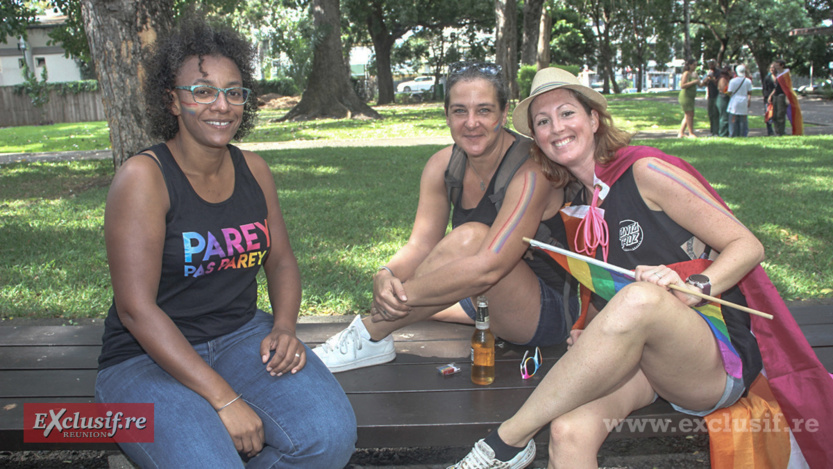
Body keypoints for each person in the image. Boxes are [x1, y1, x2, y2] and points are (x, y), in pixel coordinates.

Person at [449, 67, 765, 468]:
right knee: (568, 431)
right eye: (542, 122)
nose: (556, 128)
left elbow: (748, 245)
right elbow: (607, 282)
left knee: (640, 300)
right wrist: (588, 327)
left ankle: (506, 441)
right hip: (642, 361)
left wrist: (697, 283)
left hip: (709, 355)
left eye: (567, 114)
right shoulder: (579, 203)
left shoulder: (647, 171)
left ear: (594, 119)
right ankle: (517, 442)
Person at [95, 17, 356, 468]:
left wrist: (285, 328)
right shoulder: (144, 178)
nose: (222, 105)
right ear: (172, 102)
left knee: (328, 437)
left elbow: (281, 262)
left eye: (234, 91)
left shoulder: (253, 170)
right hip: (144, 359)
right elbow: (135, 309)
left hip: (240, 339)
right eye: (202, 91)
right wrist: (225, 398)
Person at [313, 61, 578, 373]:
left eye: (484, 110)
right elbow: (420, 245)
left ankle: (371, 334)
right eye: (459, 111)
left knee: (472, 239)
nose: (471, 123)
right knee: (430, 292)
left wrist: (398, 299)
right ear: (447, 115)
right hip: (480, 300)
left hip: (545, 313)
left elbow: (490, 267)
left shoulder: (532, 172)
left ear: (504, 114)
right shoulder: (443, 166)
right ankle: (387, 319)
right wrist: (386, 275)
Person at [676, 58, 701, 138]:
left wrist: (706, 81)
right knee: (689, 114)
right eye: (693, 65)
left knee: (688, 115)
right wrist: (693, 82)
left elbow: (700, 84)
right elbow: (683, 85)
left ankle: (681, 133)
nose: (695, 67)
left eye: (696, 65)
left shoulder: (695, 74)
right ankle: (691, 133)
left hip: (691, 97)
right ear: (689, 65)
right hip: (685, 96)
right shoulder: (686, 73)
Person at [726, 64, 753, 137]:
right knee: (743, 119)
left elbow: (730, 92)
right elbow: (749, 92)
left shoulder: (733, 81)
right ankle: (743, 134)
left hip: (734, 101)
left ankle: (733, 134)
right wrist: (749, 100)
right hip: (744, 100)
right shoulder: (748, 81)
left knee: (733, 119)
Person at [704, 59, 720, 136]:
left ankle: (716, 131)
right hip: (710, 95)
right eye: (709, 65)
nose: (710, 66)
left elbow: (718, 84)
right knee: (710, 114)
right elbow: (704, 83)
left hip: (717, 95)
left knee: (716, 114)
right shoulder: (709, 73)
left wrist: (712, 78)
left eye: (711, 64)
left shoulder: (718, 73)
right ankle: (711, 131)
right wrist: (707, 79)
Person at [716, 65, 732, 137]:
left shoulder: (727, 79)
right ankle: (723, 133)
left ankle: (726, 132)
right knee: (724, 117)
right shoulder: (723, 79)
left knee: (726, 116)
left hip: (725, 98)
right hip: (722, 98)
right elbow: (723, 90)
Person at [762, 64, 777, 136]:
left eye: (773, 68)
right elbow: (765, 88)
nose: (772, 69)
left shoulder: (778, 77)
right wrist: (767, 97)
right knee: (768, 114)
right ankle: (770, 131)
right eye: (771, 67)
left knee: (776, 114)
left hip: (776, 98)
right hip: (768, 98)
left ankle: (777, 130)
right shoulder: (767, 78)